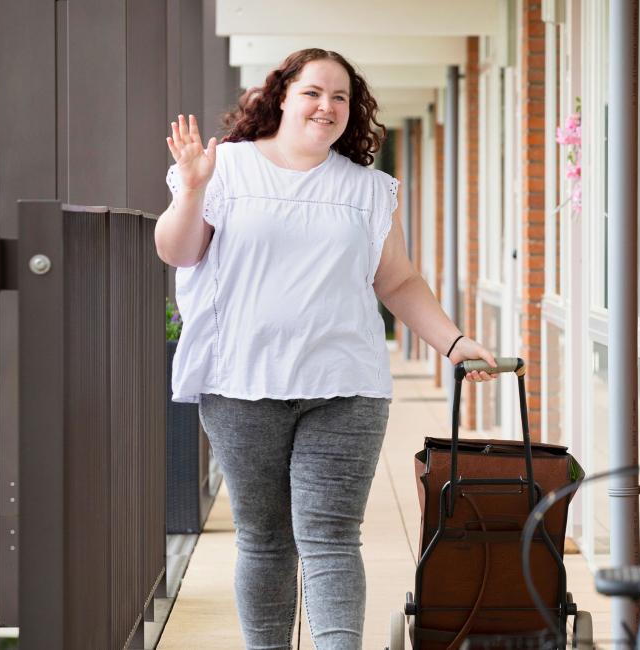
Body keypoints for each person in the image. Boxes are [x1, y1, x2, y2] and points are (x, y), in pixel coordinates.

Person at [155, 48, 495, 649]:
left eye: (341, 97)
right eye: (313, 92)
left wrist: (454, 341)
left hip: (345, 387)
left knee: (332, 536)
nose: (327, 106)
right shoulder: (222, 169)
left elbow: (398, 281)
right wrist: (190, 191)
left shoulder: (368, 190)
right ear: (281, 96)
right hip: (240, 383)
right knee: (263, 538)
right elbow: (178, 252)